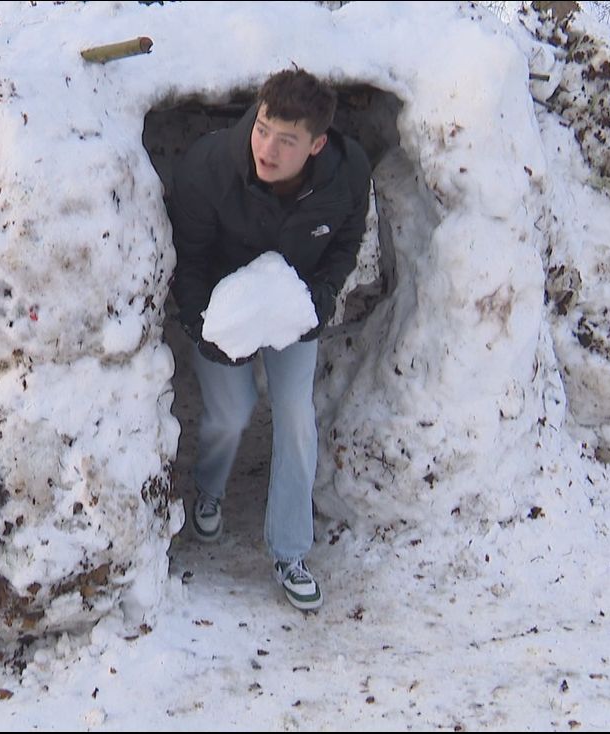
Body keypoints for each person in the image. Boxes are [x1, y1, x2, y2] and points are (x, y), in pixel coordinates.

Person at [167, 68, 371, 611]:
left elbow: (346, 240)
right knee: (231, 412)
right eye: (262, 130)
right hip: (224, 307)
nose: (267, 149)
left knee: (297, 417)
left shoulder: (346, 173)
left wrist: (321, 297)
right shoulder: (210, 168)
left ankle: (290, 551)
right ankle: (210, 490)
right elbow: (189, 256)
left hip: (290, 304)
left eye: (287, 140)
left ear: (317, 144)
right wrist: (199, 324)